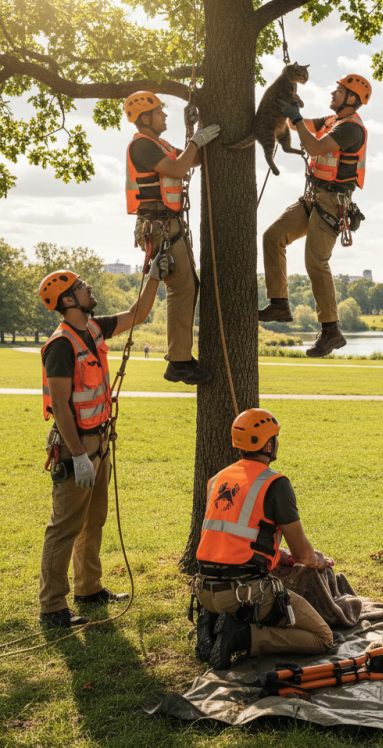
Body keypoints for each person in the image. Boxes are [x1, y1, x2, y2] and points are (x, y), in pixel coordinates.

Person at [38, 259, 168, 628]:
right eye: (82, 286)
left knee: (94, 520)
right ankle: (52, 608)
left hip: (99, 443)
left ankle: (89, 588)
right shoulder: (61, 345)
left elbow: (137, 314)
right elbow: (61, 405)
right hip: (75, 447)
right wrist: (78, 456)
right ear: (67, 301)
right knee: (64, 526)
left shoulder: (93, 328)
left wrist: (154, 275)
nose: (89, 288)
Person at [194, 408, 334, 670]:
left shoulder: (216, 480)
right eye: (276, 438)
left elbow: (231, 539)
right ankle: (242, 636)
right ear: (269, 444)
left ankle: (210, 623)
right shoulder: (276, 484)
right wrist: (318, 562)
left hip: (204, 590)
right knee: (322, 637)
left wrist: (277, 554)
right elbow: (303, 554)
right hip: (243, 593)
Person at [259, 75, 371, 358]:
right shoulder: (331, 122)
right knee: (273, 237)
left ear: (351, 99)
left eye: (340, 91)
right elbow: (306, 126)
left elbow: (314, 146)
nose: (333, 93)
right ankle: (279, 303)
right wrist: (284, 107)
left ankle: (331, 330)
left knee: (315, 261)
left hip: (333, 203)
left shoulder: (352, 129)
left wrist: (295, 119)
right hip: (312, 197)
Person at [124, 91, 221, 384]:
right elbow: (179, 167)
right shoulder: (142, 146)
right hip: (158, 226)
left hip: (166, 225)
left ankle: (180, 359)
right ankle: (178, 362)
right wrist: (194, 141)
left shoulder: (159, 144)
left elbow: (192, 160)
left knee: (187, 285)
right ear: (145, 118)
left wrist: (194, 133)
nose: (164, 116)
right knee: (182, 287)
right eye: (159, 112)